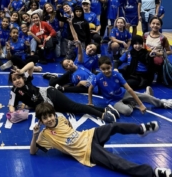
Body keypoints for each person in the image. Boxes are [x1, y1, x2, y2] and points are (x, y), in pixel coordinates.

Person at [31, 102, 172, 177]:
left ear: (54, 115)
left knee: (114, 126)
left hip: (89, 134)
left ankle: (140, 129)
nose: (49, 119)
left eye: (50, 115)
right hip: (87, 151)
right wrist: (35, 135)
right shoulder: (45, 135)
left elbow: (69, 129)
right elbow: (33, 152)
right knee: (115, 162)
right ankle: (152, 173)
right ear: (41, 121)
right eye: (45, 118)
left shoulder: (61, 118)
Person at [9, 62, 117, 123]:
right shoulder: (14, 91)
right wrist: (13, 113)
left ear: (23, 78)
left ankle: (102, 115)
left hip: (50, 94)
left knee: (74, 107)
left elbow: (32, 64)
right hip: (48, 105)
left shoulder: (27, 79)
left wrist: (22, 71)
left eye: (19, 78)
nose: (17, 80)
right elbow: (11, 105)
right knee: (74, 109)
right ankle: (105, 109)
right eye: (14, 79)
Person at [88, 56, 172, 116]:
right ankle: (131, 103)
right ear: (99, 68)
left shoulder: (117, 74)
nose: (106, 71)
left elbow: (129, 89)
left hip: (122, 93)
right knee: (127, 111)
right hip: (112, 101)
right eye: (103, 69)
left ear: (111, 66)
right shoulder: (98, 77)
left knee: (145, 97)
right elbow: (90, 88)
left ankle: (163, 103)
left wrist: (141, 104)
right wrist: (90, 103)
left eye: (108, 68)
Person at [143, 17, 172, 83]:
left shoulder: (163, 38)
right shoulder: (145, 35)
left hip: (157, 57)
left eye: (157, 24)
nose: (155, 25)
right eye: (153, 23)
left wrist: (159, 54)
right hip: (147, 55)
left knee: (156, 60)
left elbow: (170, 51)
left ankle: (156, 75)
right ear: (150, 25)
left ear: (160, 26)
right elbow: (143, 45)